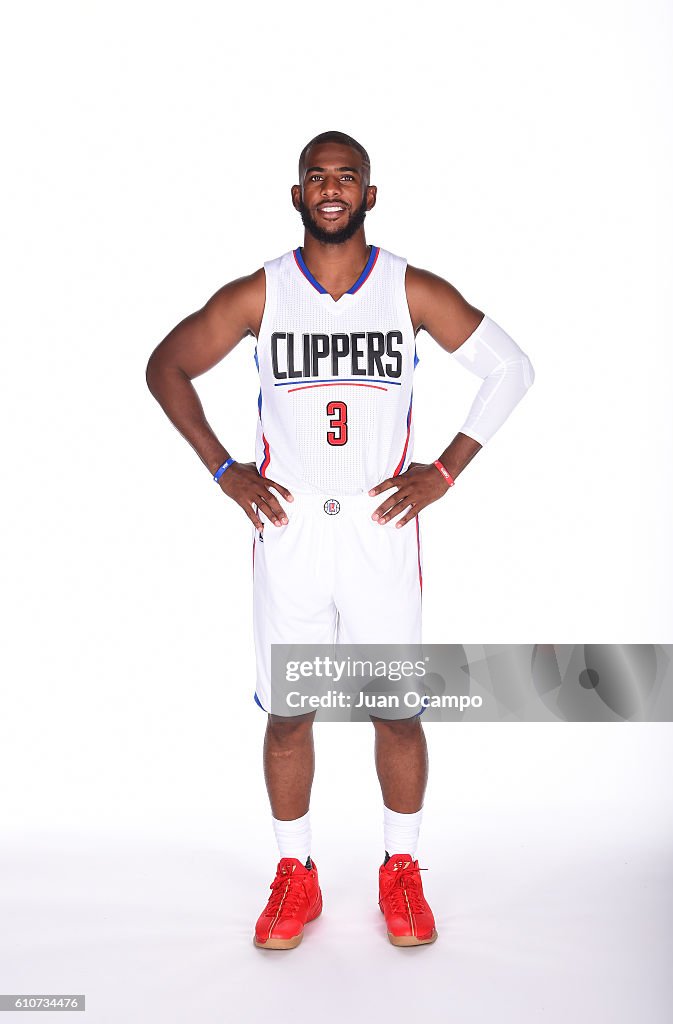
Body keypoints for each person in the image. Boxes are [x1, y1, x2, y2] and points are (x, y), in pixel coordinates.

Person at [146, 130, 535, 950]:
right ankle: (297, 874)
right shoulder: (260, 295)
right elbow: (166, 366)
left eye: (346, 177)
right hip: (287, 528)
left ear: (368, 195)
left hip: (377, 525)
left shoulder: (409, 289)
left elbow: (511, 369)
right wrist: (224, 470)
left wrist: (447, 469)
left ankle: (401, 870)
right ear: (296, 196)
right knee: (291, 714)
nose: (330, 189)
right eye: (315, 178)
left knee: (394, 712)